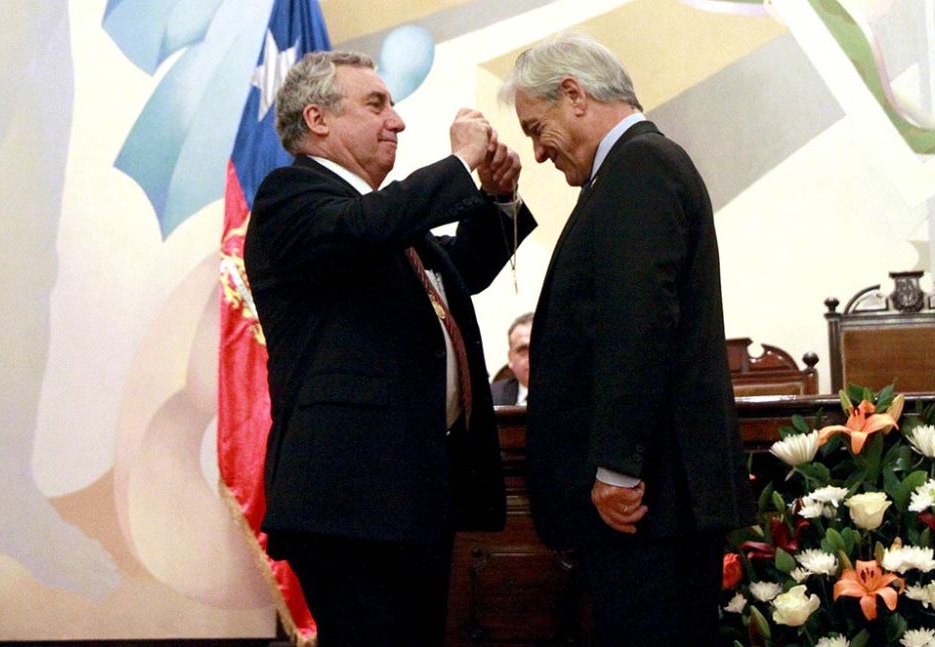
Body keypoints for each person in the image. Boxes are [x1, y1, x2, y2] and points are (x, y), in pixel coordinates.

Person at [245, 50, 535, 647]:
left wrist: (497, 198)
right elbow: (364, 228)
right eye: (376, 104)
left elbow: (460, 270)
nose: (397, 122)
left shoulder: (392, 225)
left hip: (409, 492)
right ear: (317, 119)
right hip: (350, 498)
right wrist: (457, 162)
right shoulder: (290, 195)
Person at [500, 34, 753, 646]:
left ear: (574, 95)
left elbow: (637, 328)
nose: (536, 154)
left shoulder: (639, 167)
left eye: (538, 128)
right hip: (653, 497)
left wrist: (615, 470)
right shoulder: (630, 170)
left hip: (648, 499)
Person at [490, 311, 533, 405]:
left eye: (538, 349)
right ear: (510, 358)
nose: (532, 357)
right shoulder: (490, 397)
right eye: (522, 350)